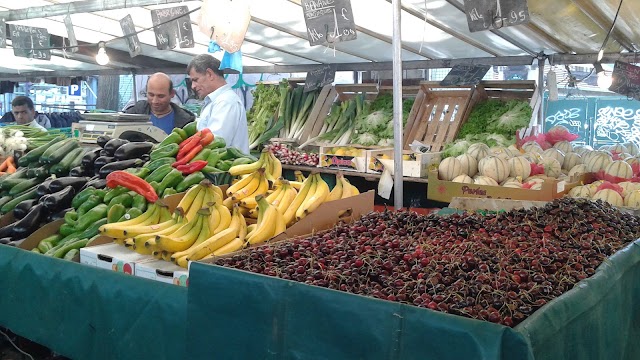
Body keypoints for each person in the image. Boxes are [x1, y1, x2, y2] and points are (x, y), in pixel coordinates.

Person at [187, 54, 249, 153]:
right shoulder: (215, 101)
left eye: (195, 80)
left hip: (228, 168)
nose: (193, 86)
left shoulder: (226, 102)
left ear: (209, 74)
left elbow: (216, 144)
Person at [124, 72, 196, 134]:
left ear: (172, 94)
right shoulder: (134, 113)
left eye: (161, 96)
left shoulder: (185, 121)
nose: (155, 101)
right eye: (151, 95)